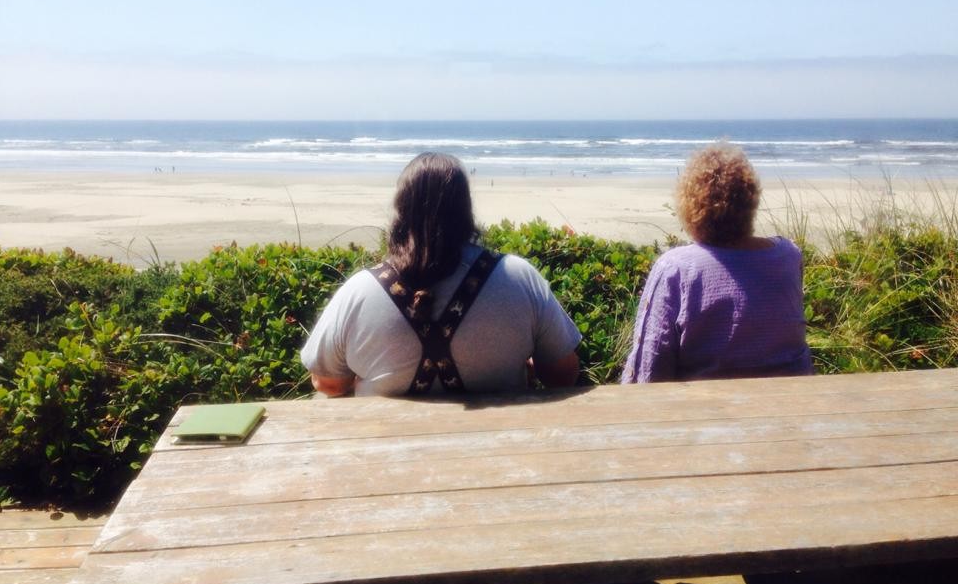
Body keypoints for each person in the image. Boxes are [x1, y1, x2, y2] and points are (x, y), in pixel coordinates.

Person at [302, 152, 581, 397]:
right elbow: (562, 374)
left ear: (400, 212)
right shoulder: (520, 278)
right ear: (466, 210)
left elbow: (329, 384)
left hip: (389, 452)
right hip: (498, 450)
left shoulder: (360, 290)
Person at [621, 142, 812, 383]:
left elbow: (648, 370)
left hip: (706, 415)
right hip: (793, 408)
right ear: (750, 200)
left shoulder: (676, 269)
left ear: (689, 204)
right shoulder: (788, 256)